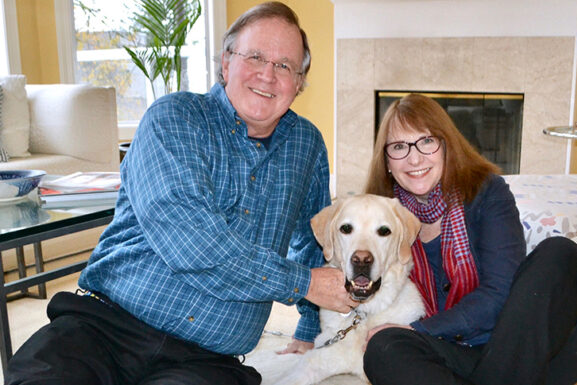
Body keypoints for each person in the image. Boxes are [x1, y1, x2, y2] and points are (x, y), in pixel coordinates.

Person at [6, 2, 357, 384]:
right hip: (106, 327)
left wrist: (309, 327)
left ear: (299, 82)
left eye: (285, 65)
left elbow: (313, 239)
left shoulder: (306, 145)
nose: (268, 74)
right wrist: (303, 283)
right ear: (226, 63)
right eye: (255, 56)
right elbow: (193, 243)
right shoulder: (175, 118)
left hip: (206, 359)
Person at [362, 93, 577, 385]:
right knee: (382, 346)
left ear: (447, 146)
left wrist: (423, 329)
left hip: (520, 346)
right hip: (457, 353)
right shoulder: (380, 215)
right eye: (398, 146)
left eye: (426, 141)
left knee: (560, 253)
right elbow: (352, 279)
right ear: (386, 161)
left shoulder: (488, 192)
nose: (414, 157)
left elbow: (500, 292)